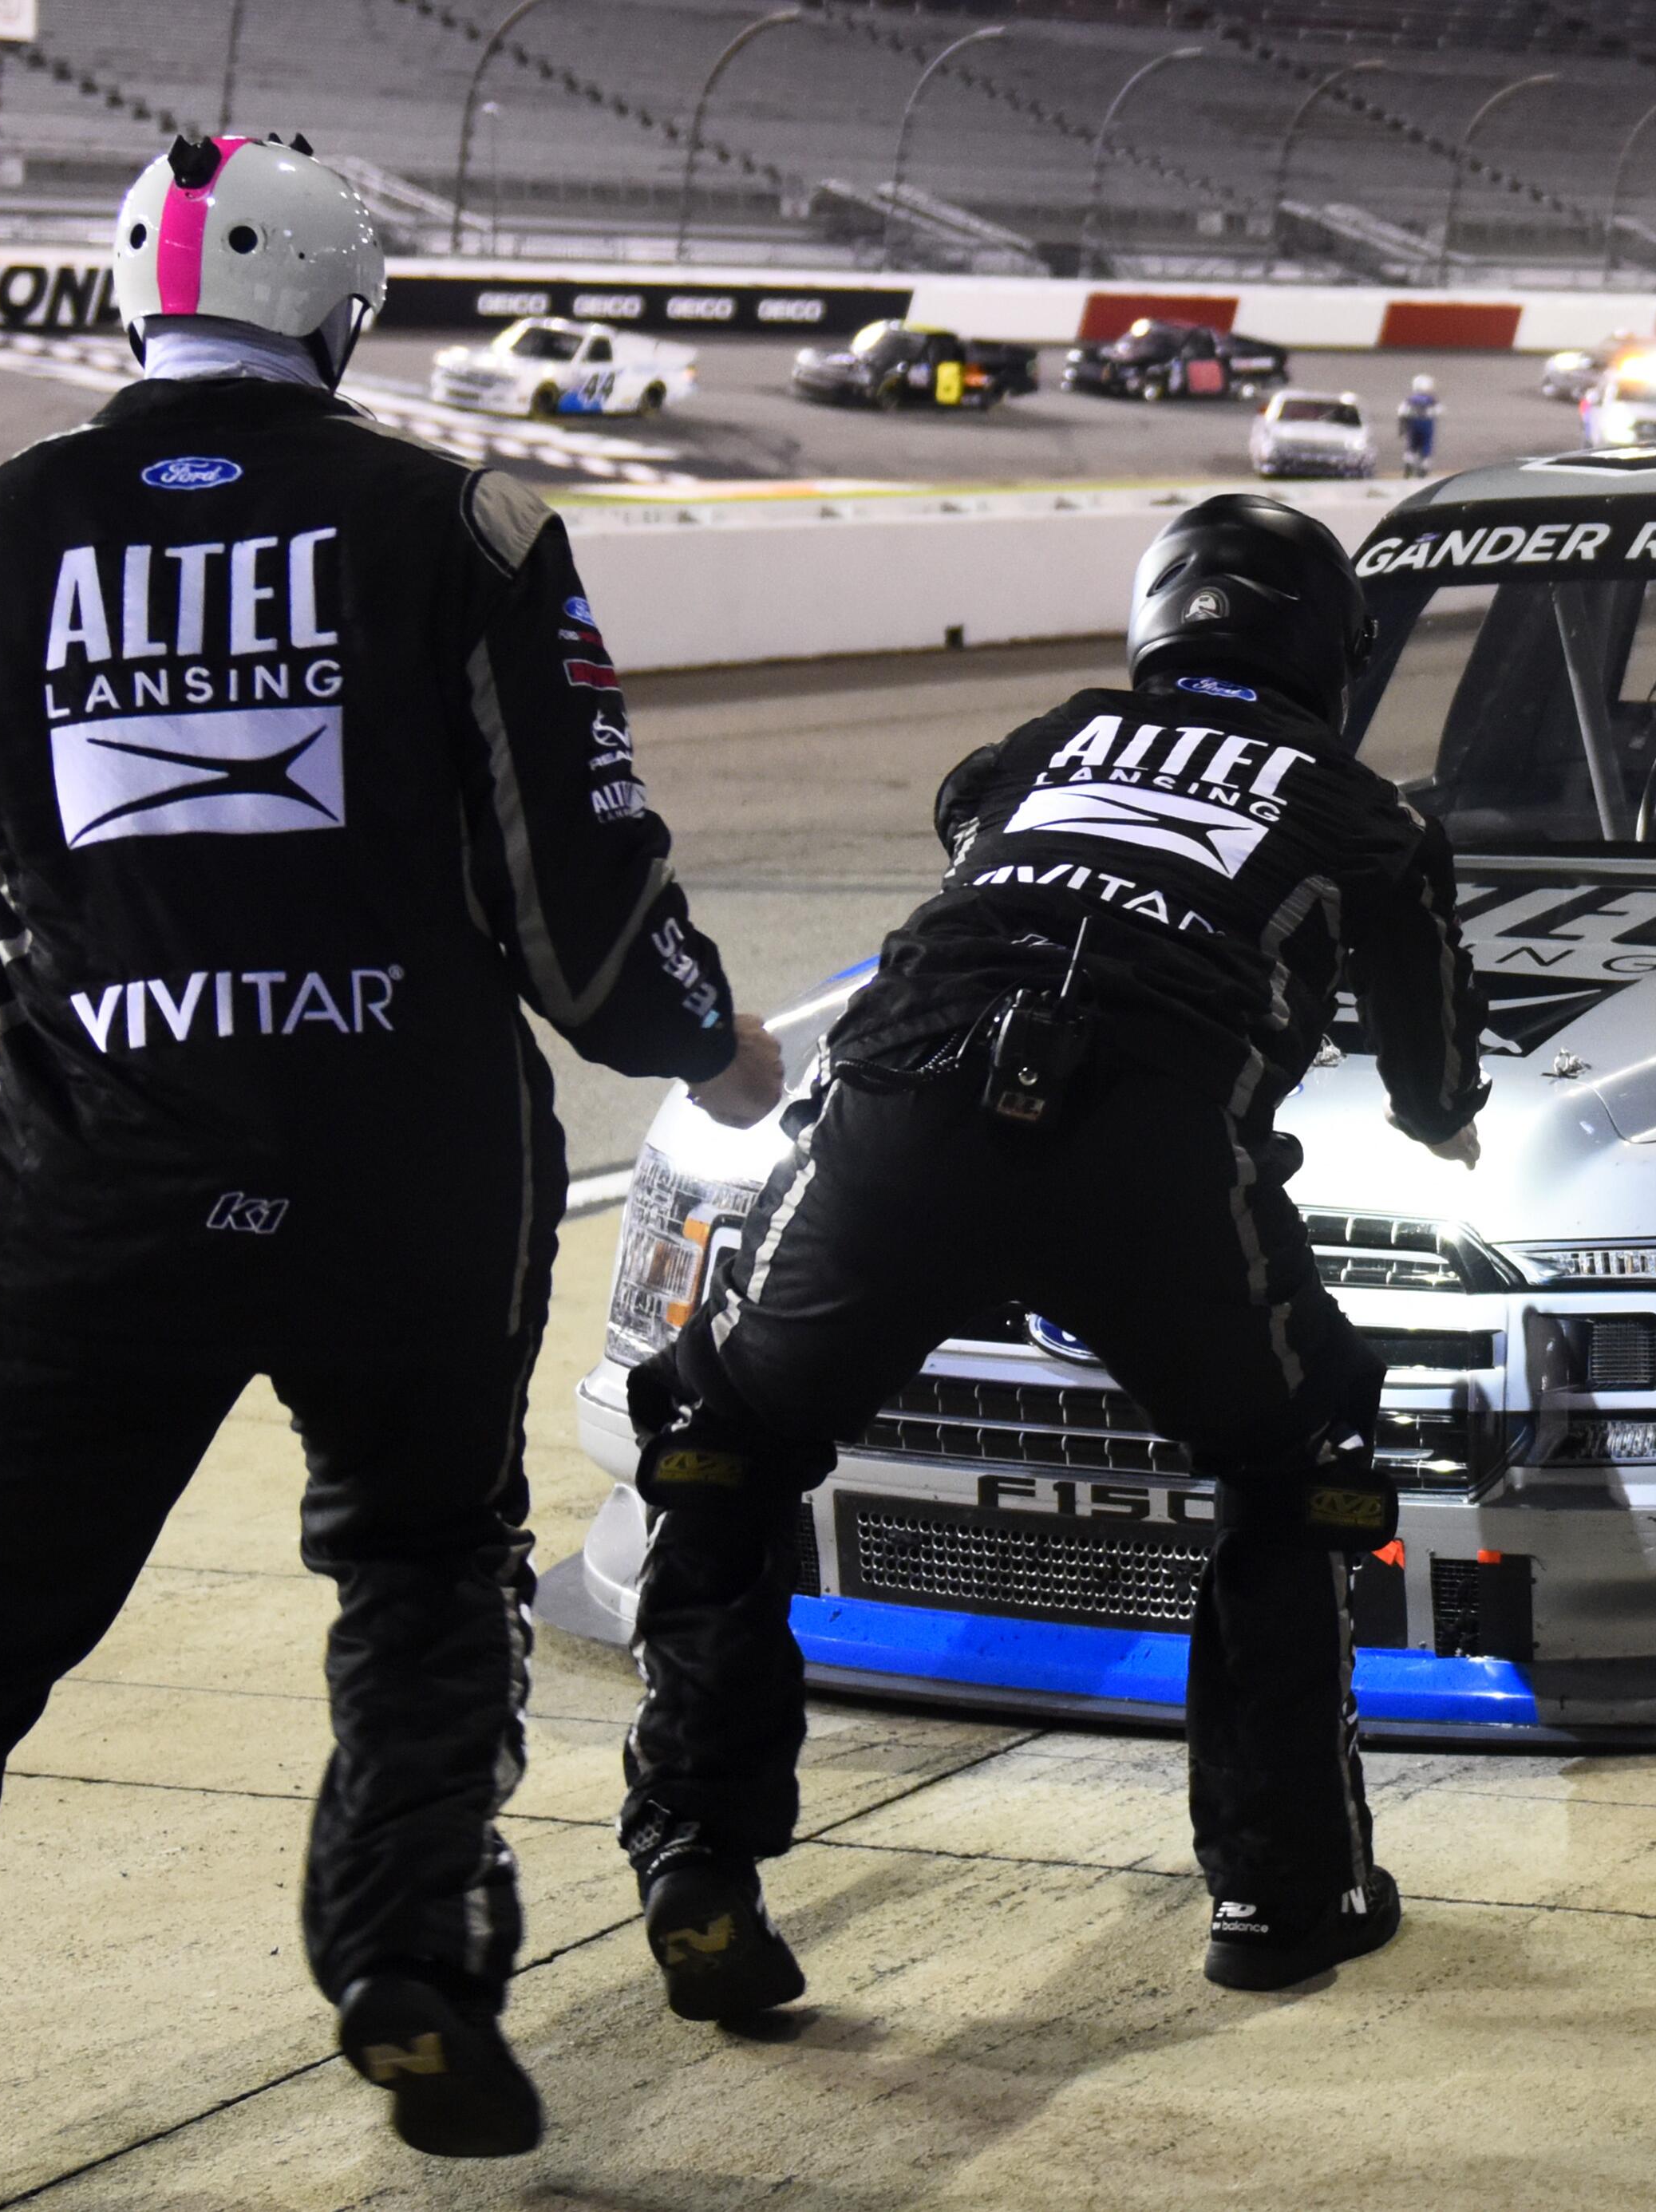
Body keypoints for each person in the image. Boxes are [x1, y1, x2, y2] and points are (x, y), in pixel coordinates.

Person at [0, 133, 784, 2205]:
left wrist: (83, 1028)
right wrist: (702, 1043)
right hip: (411, 1171)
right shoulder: (456, 520)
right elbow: (578, 885)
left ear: (140, 308)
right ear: (343, 314)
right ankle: (413, 1957)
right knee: (420, 1559)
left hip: (84, 1181)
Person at [615, 492, 1487, 2014]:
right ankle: (1282, 1892)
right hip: (1145, 1149)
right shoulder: (1366, 810)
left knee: (722, 1441)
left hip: (892, 1109)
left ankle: (695, 1845)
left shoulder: (1044, 740)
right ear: (1327, 652)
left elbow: (969, 826)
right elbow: (1427, 1047)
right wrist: (1439, 1117)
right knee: (1303, 1455)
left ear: (1157, 622)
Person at [1398, 373, 1440, 476]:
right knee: (1426, 446)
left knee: (1412, 445)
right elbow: (1439, 411)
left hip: (1413, 424)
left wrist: (1401, 427)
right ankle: (1424, 467)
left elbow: (1402, 412)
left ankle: (1409, 462)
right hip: (1427, 424)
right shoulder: (1431, 400)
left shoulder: (1411, 400)